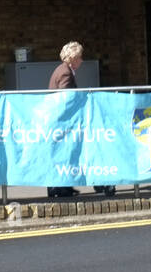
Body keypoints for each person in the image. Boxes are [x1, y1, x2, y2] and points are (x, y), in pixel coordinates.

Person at [46, 41, 116, 198]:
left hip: (60, 120)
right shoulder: (65, 72)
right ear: (72, 58)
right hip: (64, 121)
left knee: (65, 153)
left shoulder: (63, 69)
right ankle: (60, 188)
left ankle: (64, 187)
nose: (81, 60)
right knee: (66, 152)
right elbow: (67, 97)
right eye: (79, 57)